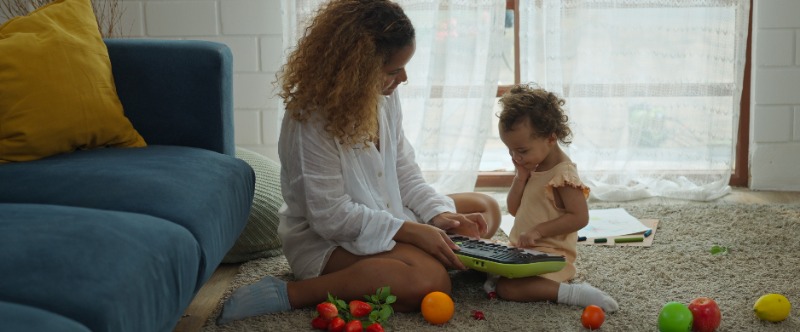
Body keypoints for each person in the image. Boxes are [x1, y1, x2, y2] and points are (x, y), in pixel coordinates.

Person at [217, 0, 501, 324]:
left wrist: (440, 215)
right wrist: (412, 232)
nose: (404, 78)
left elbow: (404, 171)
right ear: (358, 68)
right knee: (431, 281)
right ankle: (296, 293)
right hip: (328, 240)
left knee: (485, 208)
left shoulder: (384, 96)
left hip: (387, 214)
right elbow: (330, 217)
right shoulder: (309, 119)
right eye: (394, 70)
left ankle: (414, 257)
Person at [487, 83, 619, 313]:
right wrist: (521, 178)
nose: (516, 157)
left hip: (551, 258)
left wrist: (538, 231)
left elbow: (579, 217)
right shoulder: (532, 166)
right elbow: (514, 209)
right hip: (524, 250)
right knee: (479, 255)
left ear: (550, 138)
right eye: (510, 151)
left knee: (508, 288)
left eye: (522, 150)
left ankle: (574, 293)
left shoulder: (563, 175)